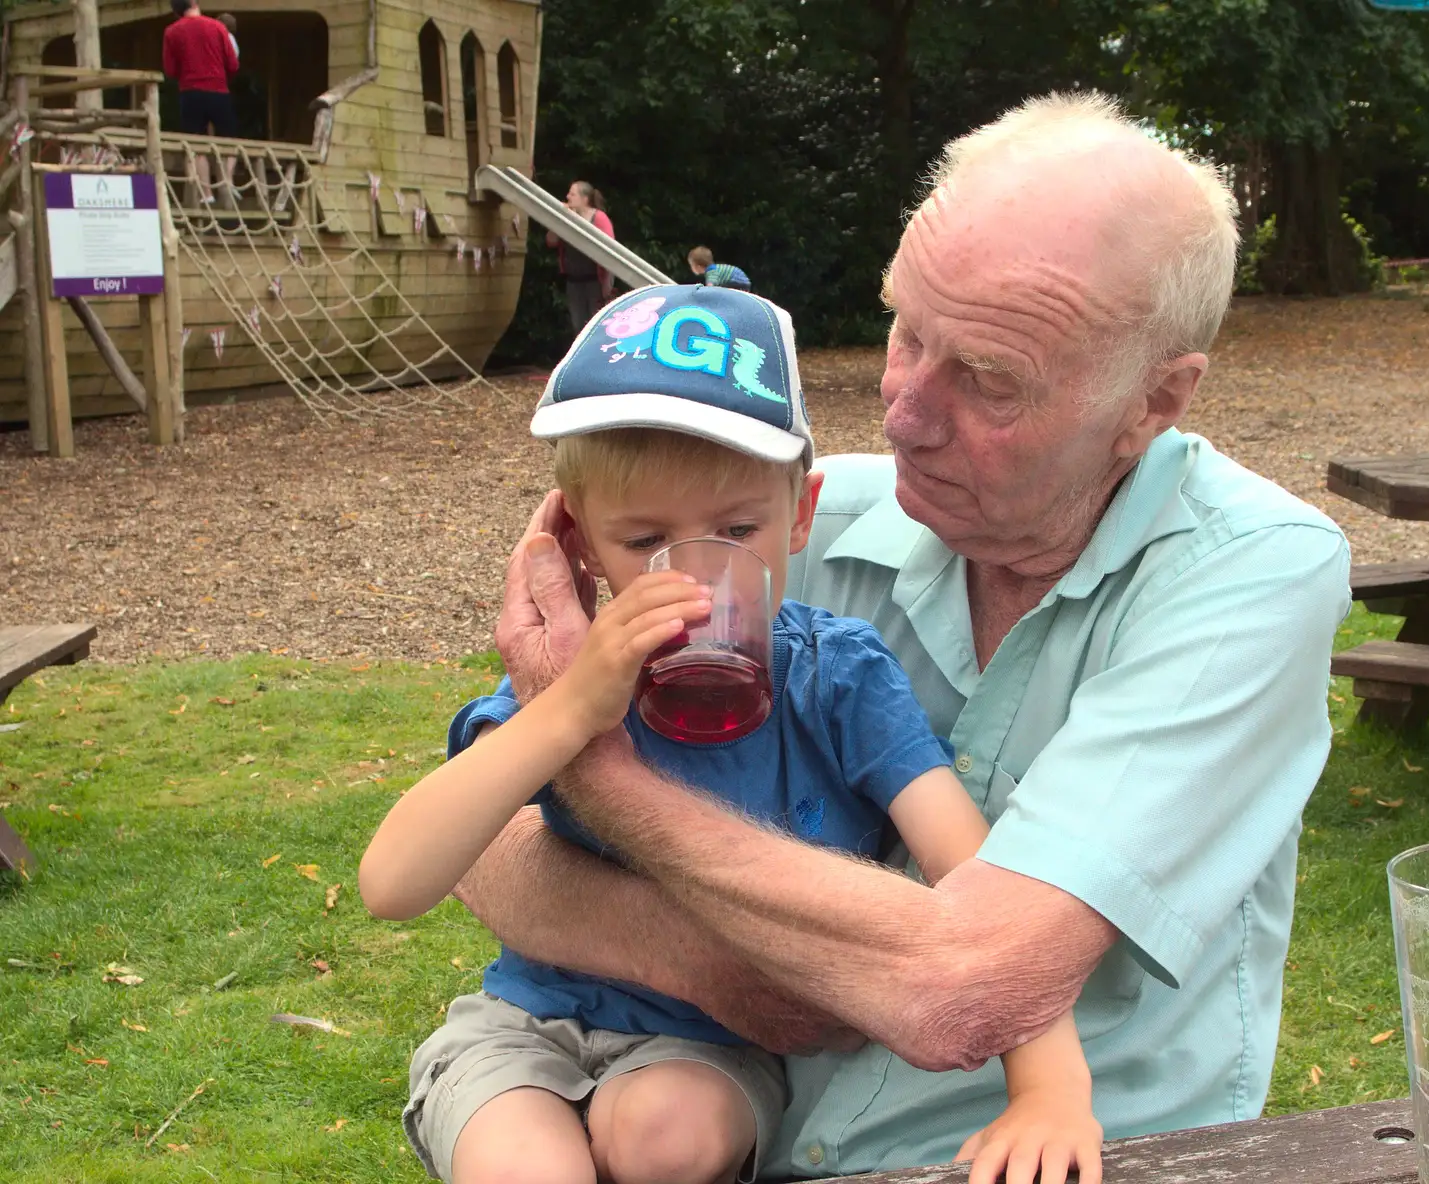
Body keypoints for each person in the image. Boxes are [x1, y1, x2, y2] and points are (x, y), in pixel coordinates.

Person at [455, 91, 1352, 1178]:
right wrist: (693, 951)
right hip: (740, 1140)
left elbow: (971, 985)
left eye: (987, 377)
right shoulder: (772, 531)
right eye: (907, 331)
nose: (903, 410)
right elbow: (488, 852)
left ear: (1152, 400)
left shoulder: (1249, 573)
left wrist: (591, 765)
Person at [366, 284, 1104, 1184]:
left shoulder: (837, 678)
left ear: (802, 513)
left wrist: (1051, 1092)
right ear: (582, 544)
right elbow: (393, 882)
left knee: (664, 1144)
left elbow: (978, 880)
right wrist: (567, 710)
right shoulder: (567, 677)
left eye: (738, 530)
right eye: (645, 540)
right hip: (526, 1024)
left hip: (703, 1045)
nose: (703, 581)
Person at [162, 0, 239, 205]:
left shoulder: (171, 32)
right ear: (194, 3)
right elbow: (232, 63)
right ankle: (227, 182)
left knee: (196, 145)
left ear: (176, 11)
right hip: (218, 90)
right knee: (229, 140)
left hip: (190, 92)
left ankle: (207, 194)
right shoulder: (217, 27)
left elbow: (170, 70)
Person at [547, 180, 615, 334]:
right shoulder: (567, 217)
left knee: (598, 325)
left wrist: (606, 285)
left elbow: (610, 250)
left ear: (584, 199)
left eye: (572, 194)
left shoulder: (599, 218)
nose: (567, 196)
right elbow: (551, 241)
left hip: (595, 281)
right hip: (574, 281)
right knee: (578, 326)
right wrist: (558, 219)